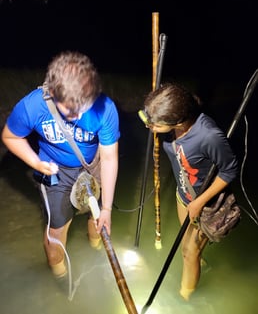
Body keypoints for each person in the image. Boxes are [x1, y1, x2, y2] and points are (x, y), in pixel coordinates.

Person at [1, 51, 120, 279]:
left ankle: (95, 257)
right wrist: (36, 162)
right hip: (55, 170)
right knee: (57, 230)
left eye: (84, 108)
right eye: (71, 111)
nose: (78, 117)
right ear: (53, 94)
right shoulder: (33, 106)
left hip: (91, 164)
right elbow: (10, 137)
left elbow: (109, 158)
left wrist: (106, 208)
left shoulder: (106, 108)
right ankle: (60, 283)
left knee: (99, 219)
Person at [139, 82, 238, 301]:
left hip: (205, 204)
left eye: (154, 124)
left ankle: (184, 299)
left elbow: (230, 170)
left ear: (178, 121)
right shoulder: (171, 129)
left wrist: (199, 202)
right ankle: (199, 260)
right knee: (187, 244)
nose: (149, 127)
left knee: (188, 252)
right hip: (183, 195)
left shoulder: (208, 136)